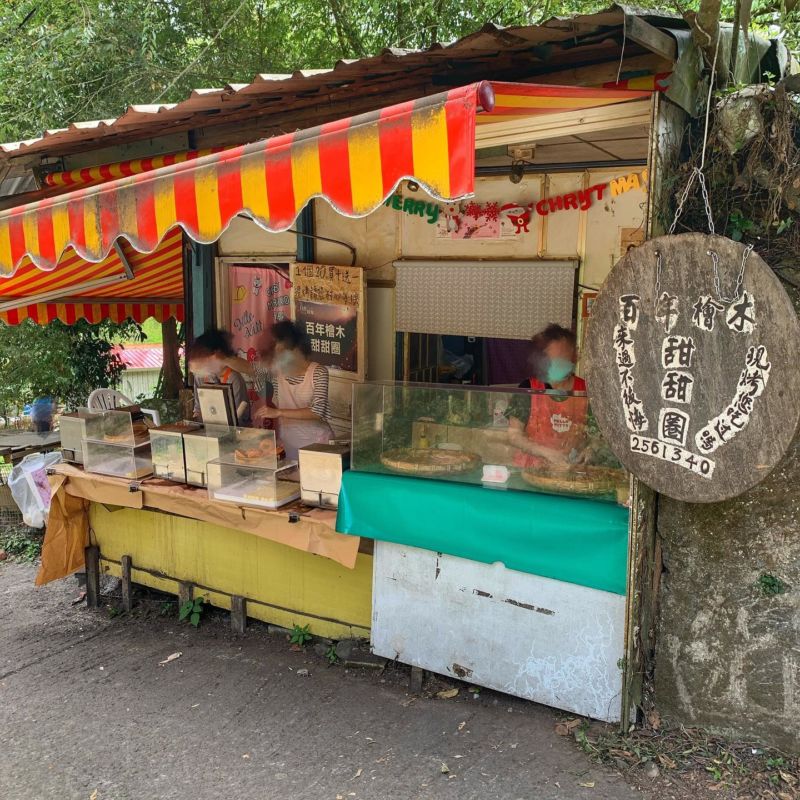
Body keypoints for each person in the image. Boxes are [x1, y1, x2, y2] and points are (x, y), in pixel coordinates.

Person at [507, 323, 588, 468]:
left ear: (574, 356)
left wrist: (591, 450)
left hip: (572, 469)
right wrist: (543, 452)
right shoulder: (529, 388)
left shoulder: (586, 390)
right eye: (553, 358)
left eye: (564, 357)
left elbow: (596, 435)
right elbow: (514, 435)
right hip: (531, 468)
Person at [253, 321, 334, 460]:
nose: (277, 356)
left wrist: (278, 412)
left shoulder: (318, 372)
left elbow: (317, 411)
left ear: (296, 349)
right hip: (288, 444)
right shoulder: (278, 372)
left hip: (317, 444)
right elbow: (252, 370)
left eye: (281, 351)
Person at [189, 328, 251, 426]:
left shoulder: (234, 378)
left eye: (203, 357)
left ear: (216, 355)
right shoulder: (200, 377)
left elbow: (237, 418)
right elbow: (198, 408)